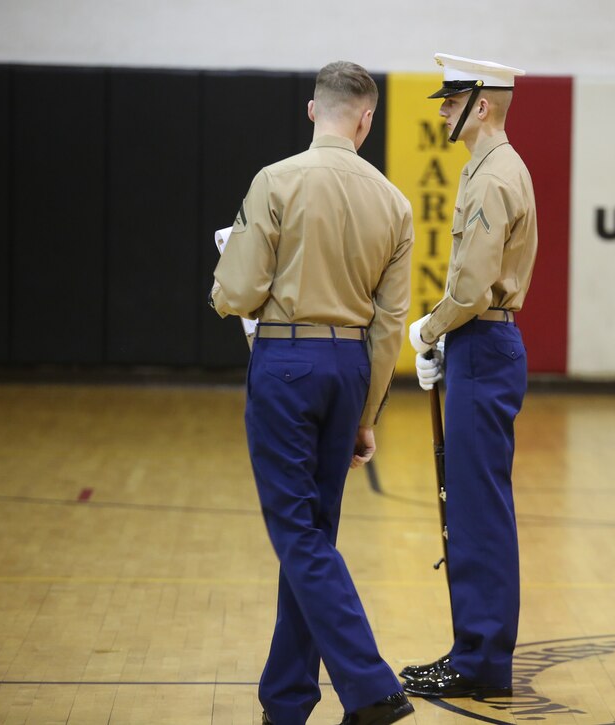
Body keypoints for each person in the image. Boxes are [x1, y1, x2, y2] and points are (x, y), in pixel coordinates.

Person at [209, 61, 415, 725]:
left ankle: (371, 685)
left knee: (297, 533)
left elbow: (239, 290)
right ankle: (287, 699)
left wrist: (223, 288)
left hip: (287, 360)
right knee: (315, 534)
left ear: (311, 110)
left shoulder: (275, 180)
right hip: (350, 366)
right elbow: (390, 324)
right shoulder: (394, 202)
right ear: (366, 119)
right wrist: (367, 413)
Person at [401, 52, 538, 699]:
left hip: (480, 343)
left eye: (452, 103)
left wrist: (429, 329)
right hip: (480, 342)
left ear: (482, 106)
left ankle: (480, 658)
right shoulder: (491, 167)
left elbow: (474, 286)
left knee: (477, 511)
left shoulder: (491, 176)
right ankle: (474, 650)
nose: (443, 113)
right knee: (476, 504)